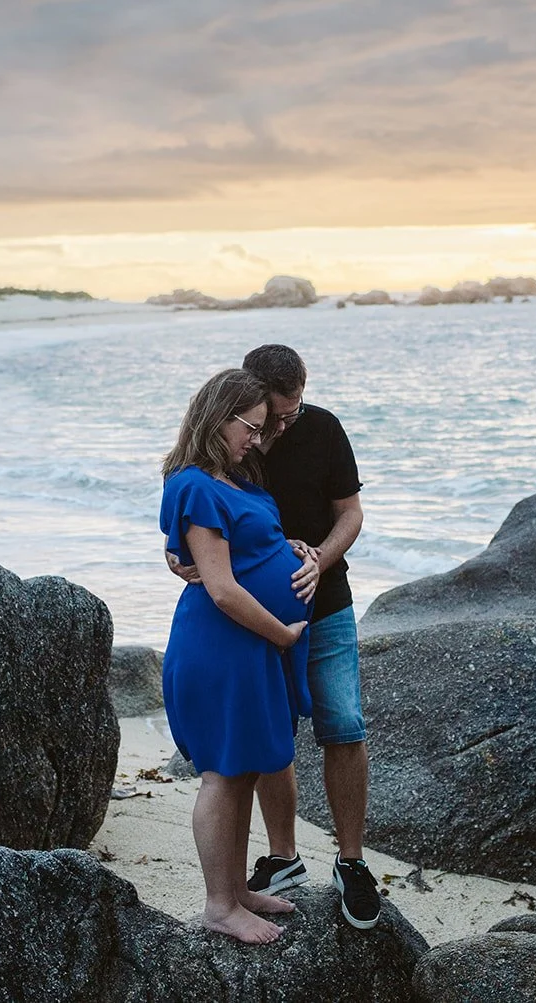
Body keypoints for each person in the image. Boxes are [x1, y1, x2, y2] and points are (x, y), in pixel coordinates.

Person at [168, 344, 379, 931]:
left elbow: (349, 513)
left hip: (320, 609)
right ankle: (276, 862)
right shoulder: (226, 457)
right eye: (268, 420)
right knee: (258, 744)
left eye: (290, 414)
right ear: (244, 402)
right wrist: (181, 557)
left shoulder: (317, 431)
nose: (278, 430)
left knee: (342, 723)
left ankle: (349, 862)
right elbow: (202, 536)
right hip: (249, 632)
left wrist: (316, 560)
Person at [159, 368, 313, 944]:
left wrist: (284, 547)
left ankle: (237, 890)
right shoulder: (195, 485)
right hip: (222, 647)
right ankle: (219, 905)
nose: (256, 438)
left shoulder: (233, 481)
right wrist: (283, 635)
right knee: (224, 775)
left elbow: (246, 547)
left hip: (247, 648)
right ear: (218, 419)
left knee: (244, 768)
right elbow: (221, 588)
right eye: (249, 426)